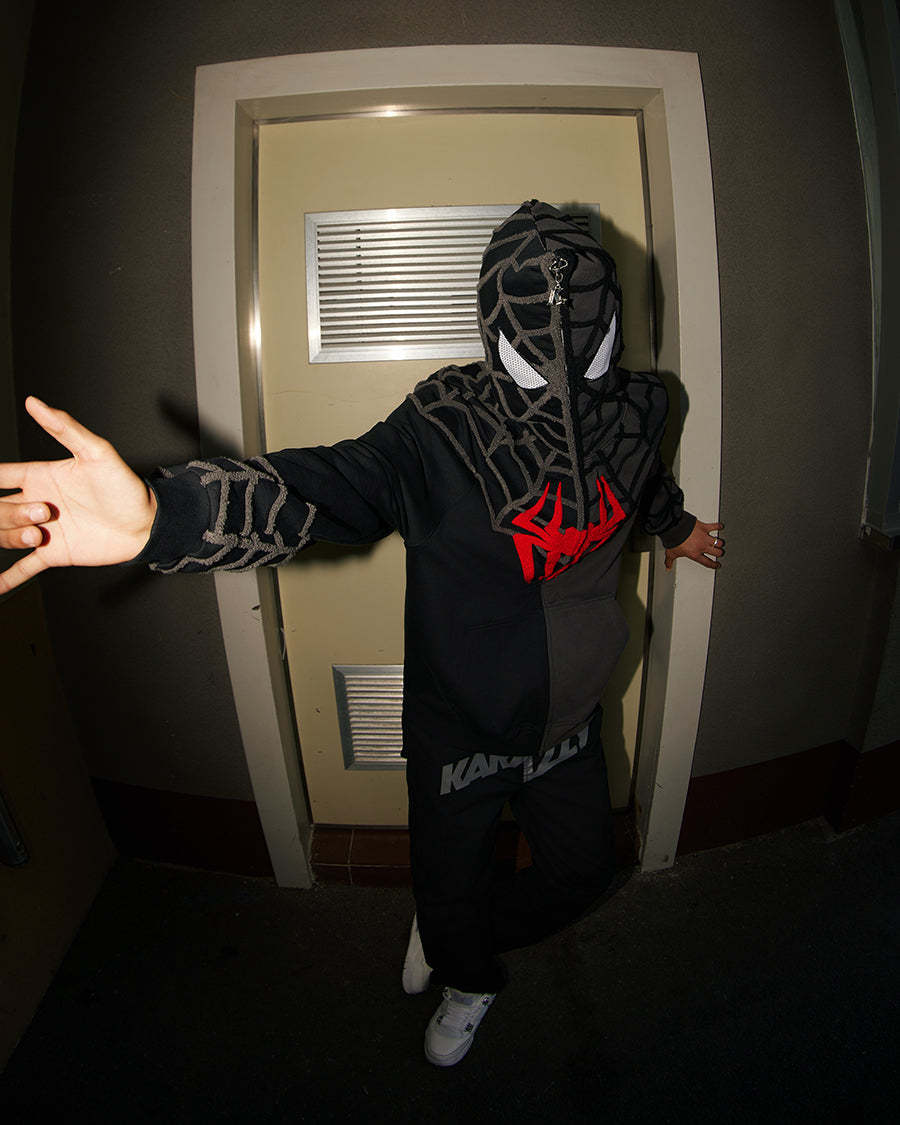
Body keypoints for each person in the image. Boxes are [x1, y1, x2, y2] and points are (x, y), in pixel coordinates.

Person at [0, 201, 723, 1066]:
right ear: (495, 328)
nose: (563, 376)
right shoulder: (445, 424)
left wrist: (676, 525)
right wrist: (168, 514)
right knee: (449, 880)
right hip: (459, 724)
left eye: (586, 348)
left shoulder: (646, 405)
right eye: (535, 356)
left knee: (581, 874)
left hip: (570, 721)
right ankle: (466, 970)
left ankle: (459, 929)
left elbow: (638, 481)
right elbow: (339, 483)